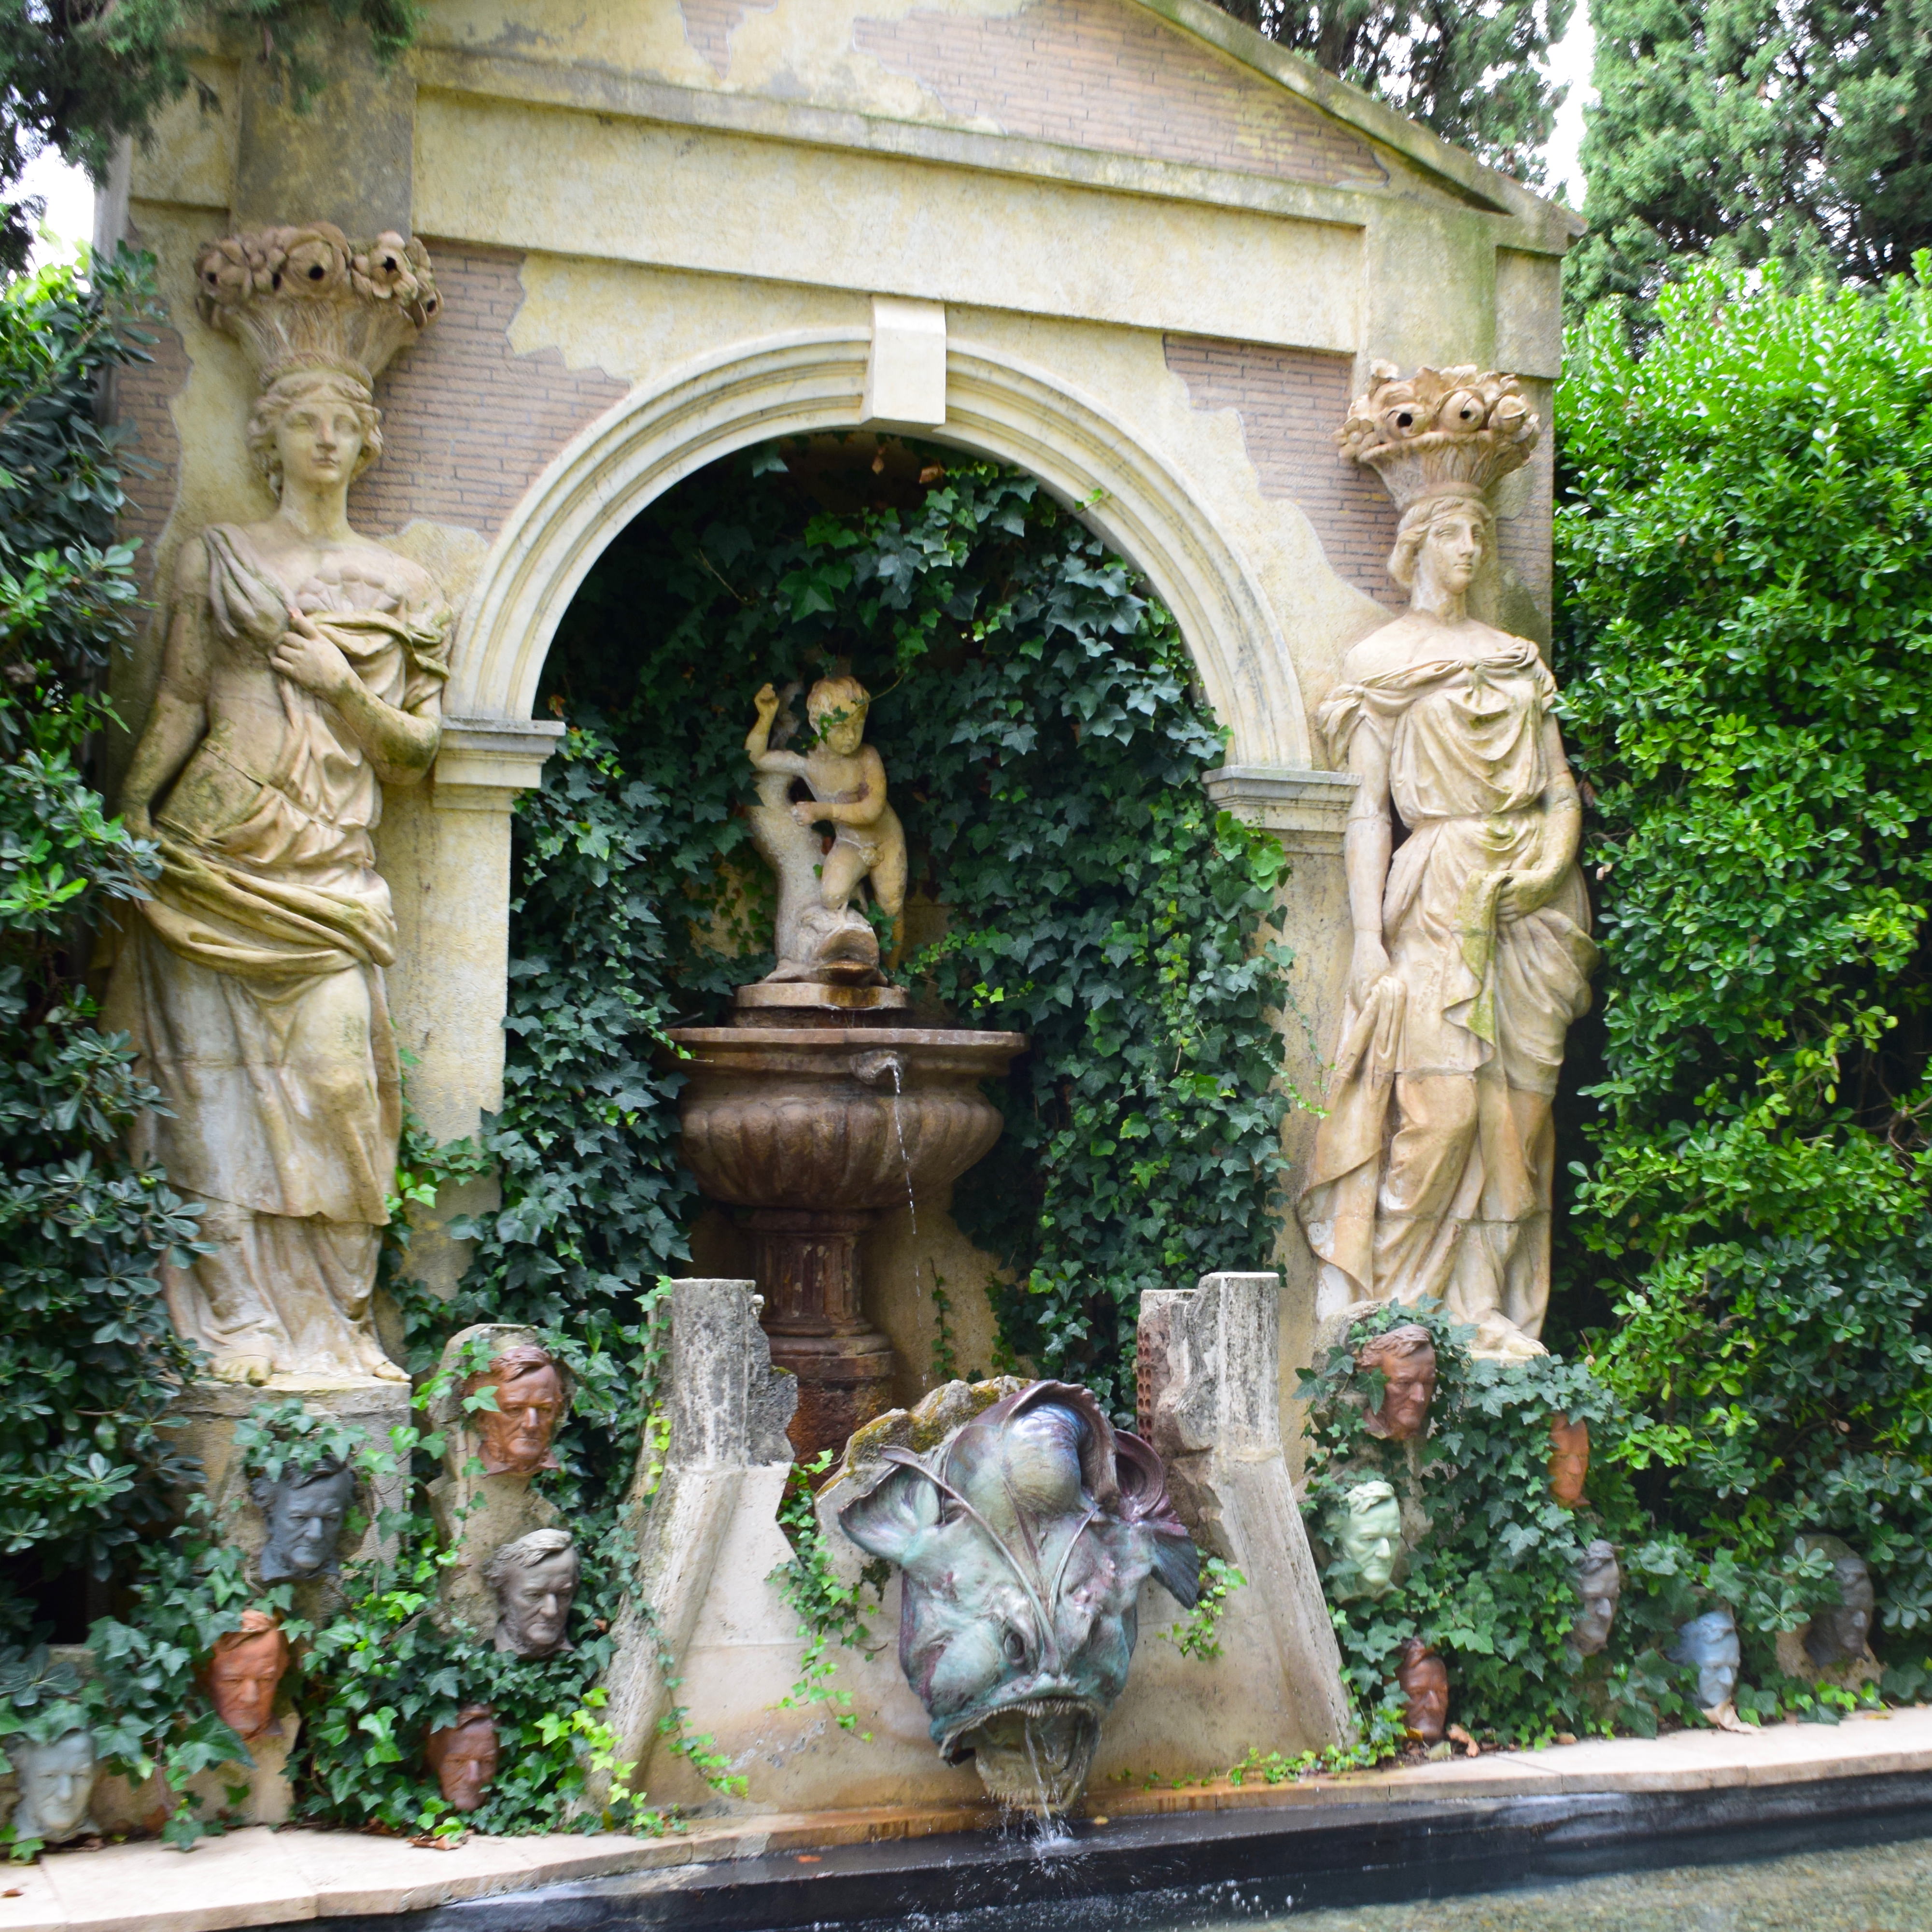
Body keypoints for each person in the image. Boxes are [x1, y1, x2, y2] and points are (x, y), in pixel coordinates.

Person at [106, 226, 447, 1386]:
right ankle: (240, 1317)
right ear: (270, 438)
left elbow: (415, 752)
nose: (325, 438)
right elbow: (180, 702)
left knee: (346, 1094)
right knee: (207, 1100)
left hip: (327, 878)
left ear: (365, 438)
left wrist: (341, 684)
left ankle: (338, 1324)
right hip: (209, 851)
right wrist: (132, 813)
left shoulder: (403, 587)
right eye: (304, 421)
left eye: (343, 421)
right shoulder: (216, 558)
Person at [1298, 459, 1596, 1362]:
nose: (1471, 548)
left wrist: (1547, 867)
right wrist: (1367, 942)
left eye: (1481, 532)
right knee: (1442, 1110)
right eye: (1455, 532)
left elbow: (1559, 790)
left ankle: (1483, 1307)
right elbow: (1366, 811)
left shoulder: (1515, 659)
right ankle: (1395, 1313)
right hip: (1435, 892)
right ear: (1417, 543)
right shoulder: (1380, 663)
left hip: (1536, 902)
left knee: (1519, 1124)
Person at [747, 675, 907, 966]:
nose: (851, 736)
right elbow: (756, 758)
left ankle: (893, 974)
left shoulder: (867, 756)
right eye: (841, 727)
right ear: (817, 723)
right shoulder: (807, 762)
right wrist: (766, 717)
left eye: (857, 726)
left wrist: (822, 811)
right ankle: (844, 944)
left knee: (891, 906)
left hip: (886, 839)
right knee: (831, 896)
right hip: (851, 842)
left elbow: (872, 810)